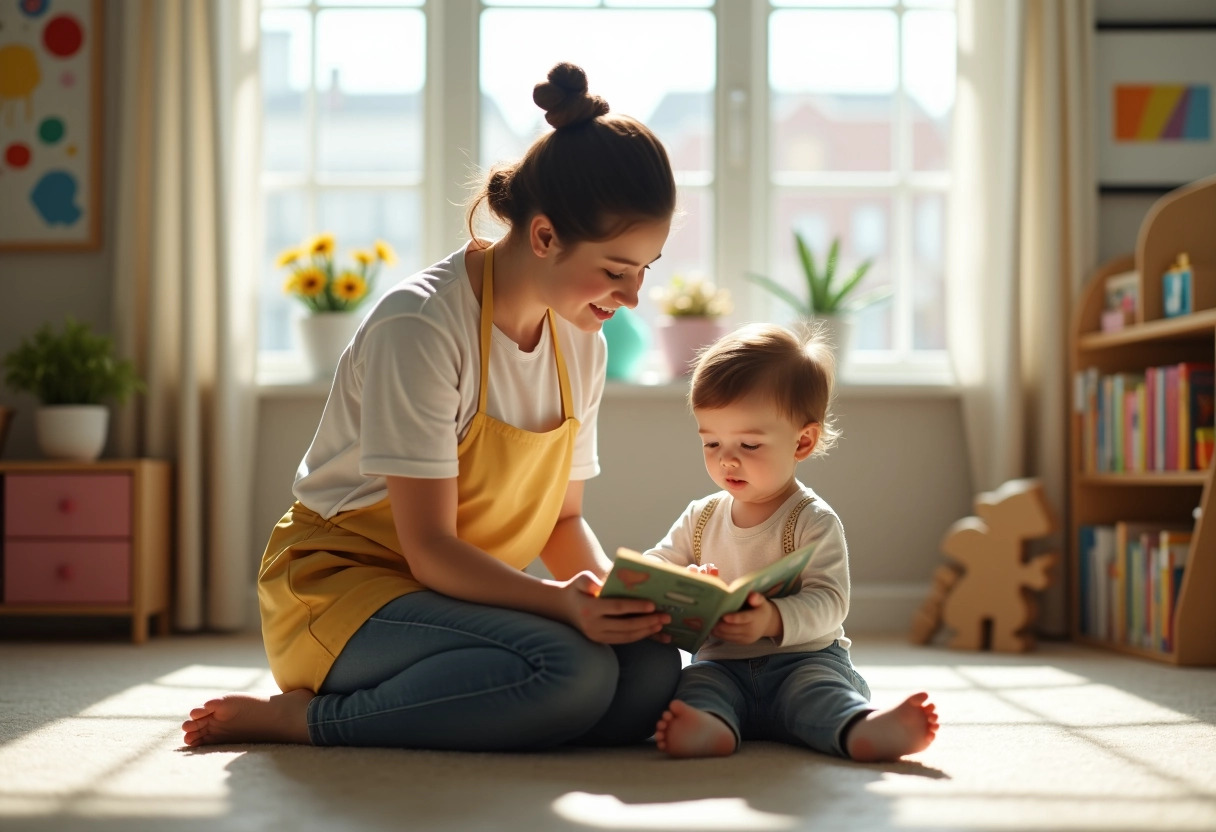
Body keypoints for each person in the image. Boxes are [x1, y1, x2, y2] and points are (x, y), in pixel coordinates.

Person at [182, 62, 683, 751]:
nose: (631, 299)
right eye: (615, 270)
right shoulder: (419, 327)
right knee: (569, 671)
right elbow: (430, 550)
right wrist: (560, 605)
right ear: (543, 236)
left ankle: (509, 702)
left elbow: (561, 519)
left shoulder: (582, 344)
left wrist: (613, 595)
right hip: (345, 592)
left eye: (643, 273)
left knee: (650, 668)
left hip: (460, 599)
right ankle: (302, 717)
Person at [646, 322, 939, 761]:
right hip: (720, 664)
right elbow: (657, 564)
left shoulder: (811, 520)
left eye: (749, 443)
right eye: (711, 442)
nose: (727, 458)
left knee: (818, 694)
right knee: (696, 687)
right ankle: (711, 727)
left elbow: (830, 601)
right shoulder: (701, 516)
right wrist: (684, 583)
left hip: (803, 661)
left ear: (802, 441)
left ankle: (861, 727)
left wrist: (772, 620)